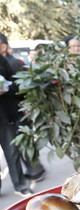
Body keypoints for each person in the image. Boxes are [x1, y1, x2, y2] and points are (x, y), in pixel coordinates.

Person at [0, 33, 46, 183]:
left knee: (21, 144)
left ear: (4, 46)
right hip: (12, 112)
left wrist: (7, 88)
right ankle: (34, 170)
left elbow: (20, 87)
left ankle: (35, 170)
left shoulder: (12, 62)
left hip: (15, 111)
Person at [0, 52, 33, 197]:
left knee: (12, 151)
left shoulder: (2, 61)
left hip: (6, 116)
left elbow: (15, 83)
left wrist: (6, 87)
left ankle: (20, 185)